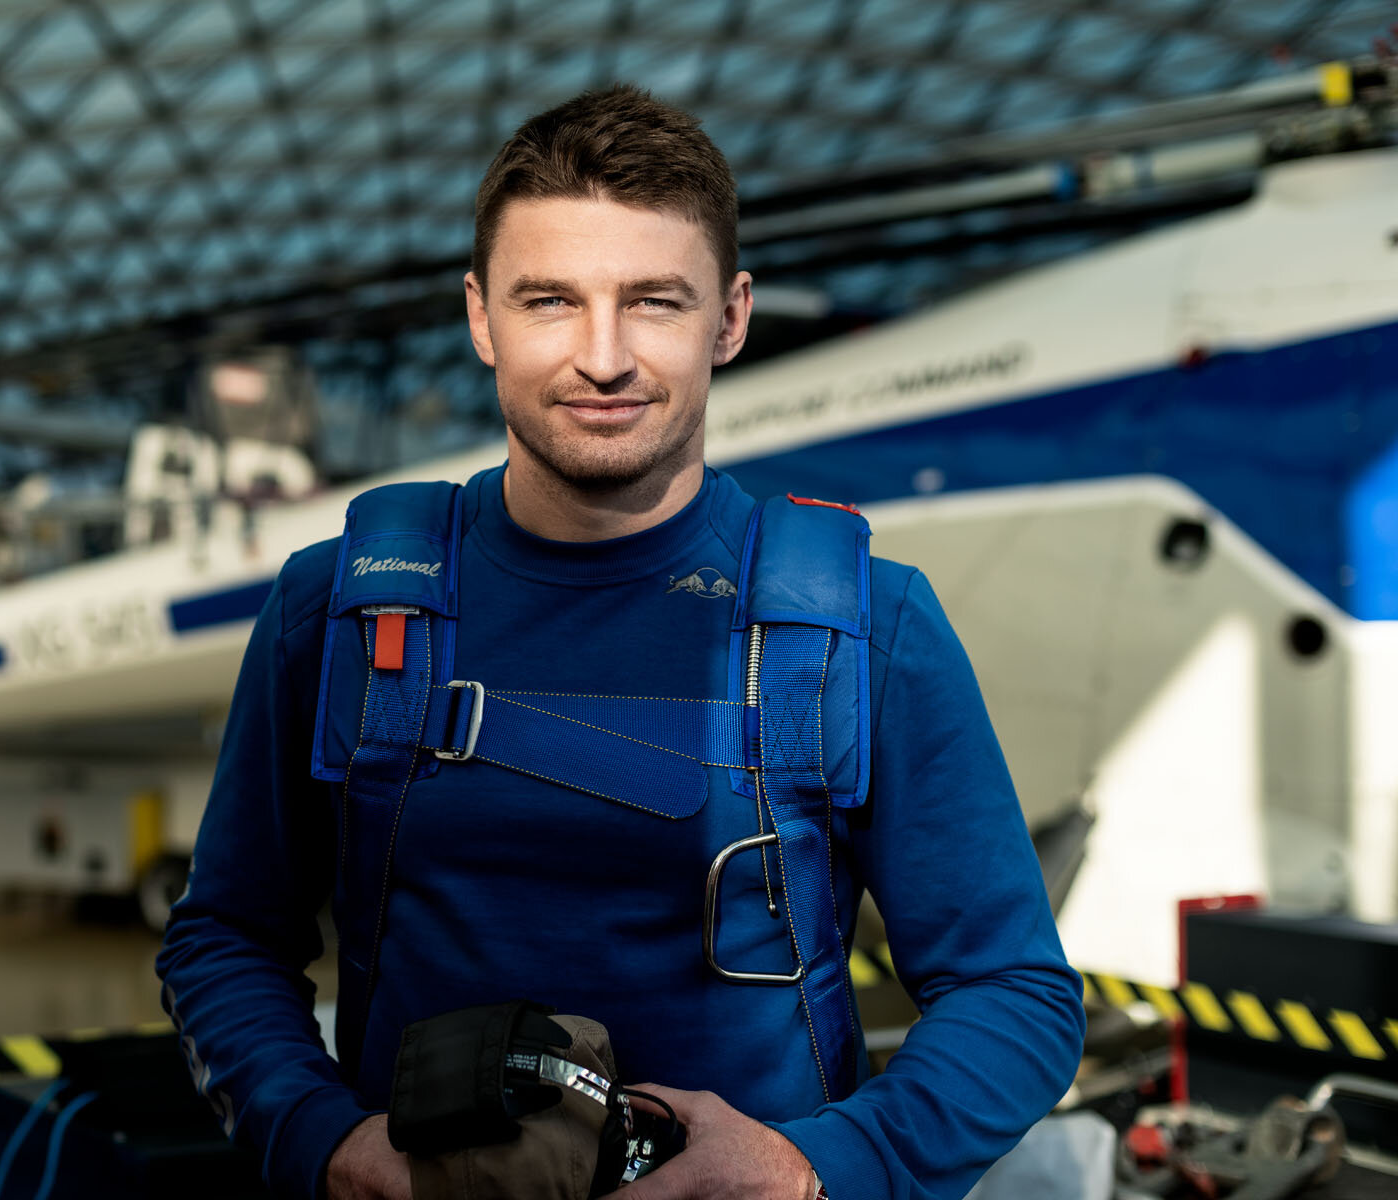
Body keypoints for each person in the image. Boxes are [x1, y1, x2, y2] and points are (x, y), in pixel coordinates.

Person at [157, 84, 1086, 1200]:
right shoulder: (345, 611)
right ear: (480, 317)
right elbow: (223, 942)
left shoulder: (862, 627)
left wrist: (814, 1170)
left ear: (729, 320)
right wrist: (325, 1142)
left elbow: (1016, 997)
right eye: (550, 300)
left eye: (654, 302)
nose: (604, 358)